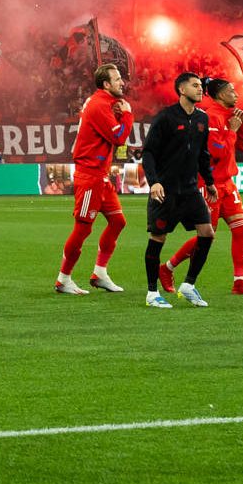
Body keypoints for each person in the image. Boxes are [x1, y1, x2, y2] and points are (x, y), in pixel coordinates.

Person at [159, 77, 243, 296]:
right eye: (231, 91)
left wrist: (241, 124)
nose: (236, 94)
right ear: (220, 95)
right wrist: (232, 130)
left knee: (241, 229)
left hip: (228, 183)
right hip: (210, 185)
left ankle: (239, 282)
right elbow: (216, 151)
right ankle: (167, 268)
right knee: (207, 235)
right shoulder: (211, 117)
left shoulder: (231, 116)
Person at [54, 63, 132, 296]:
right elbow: (119, 137)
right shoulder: (99, 105)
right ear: (106, 84)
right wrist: (127, 114)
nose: (122, 82)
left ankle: (99, 273)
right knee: (83, 229)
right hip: (90, 175)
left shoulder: (102, 102)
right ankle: (63, 279)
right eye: (117, 79)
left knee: (118, 222)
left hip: (101, 175)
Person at [140, 73, 217, 309]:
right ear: (182, 90)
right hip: (166, 189)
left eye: (200, 86)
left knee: (207, 232)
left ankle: (189, 285)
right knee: (158, 237)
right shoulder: (166, 117)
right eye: (195, 86)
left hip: (191, 190)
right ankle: (152, 293)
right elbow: (149, 152)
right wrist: (154, 181)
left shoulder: (203, 119)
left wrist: (210, 181)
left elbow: (202, 155)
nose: (200, 89)